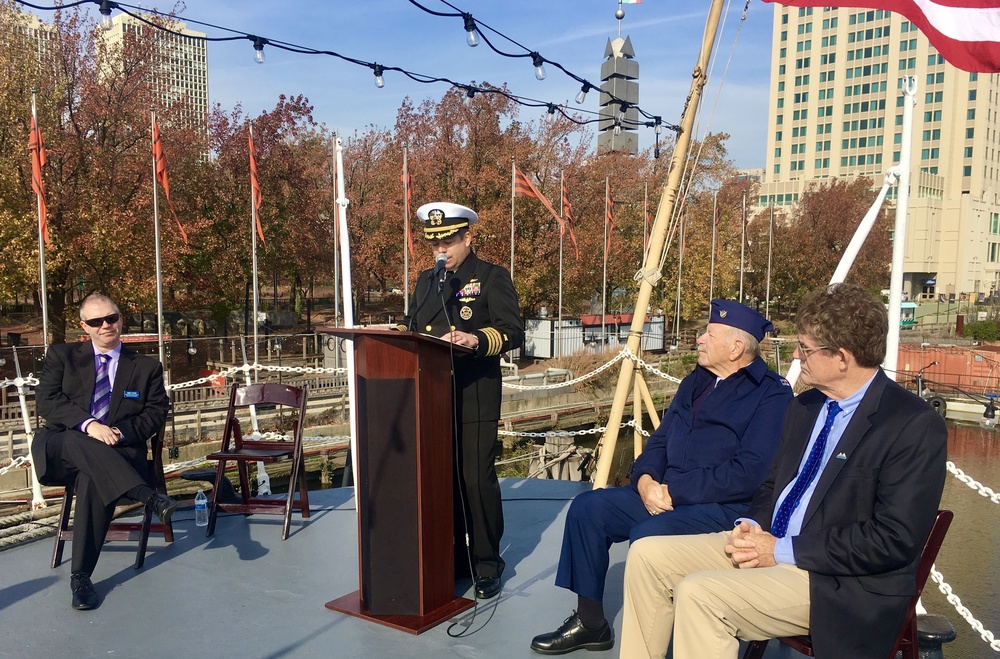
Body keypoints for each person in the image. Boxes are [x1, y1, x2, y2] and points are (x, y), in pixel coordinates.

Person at [619, 283, 948, 659]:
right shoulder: (805, 406)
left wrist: (781, 549)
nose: (795, 355)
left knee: (701, 594)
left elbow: (891, 540)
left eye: (805, 349)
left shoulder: (910, 425)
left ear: (842, 357)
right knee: (647, 557)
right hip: (770, 545)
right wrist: (752, 525)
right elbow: (772, 484)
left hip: (838, 583)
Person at [530, 300, 792, 654]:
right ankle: (591, 623)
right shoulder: (696, 381)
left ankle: (674, 637)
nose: (699, 339)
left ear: (736, 347)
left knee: (646, 536)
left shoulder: (771, 394)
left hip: (721, 506)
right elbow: (662, 440)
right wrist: (646, 481)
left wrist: (674, 492)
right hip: (664, 492)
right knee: (587, 508)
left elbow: (749, 471)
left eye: (708, 334)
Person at [398, 202, 524, 600]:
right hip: (433, 398)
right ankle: (451, 559)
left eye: (449, 242)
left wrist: (476, 339)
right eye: (435, 243)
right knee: (442, 481)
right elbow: (412, 327)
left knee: (474, 481)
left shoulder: (490, 277)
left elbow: (512, 331)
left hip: (474, 395)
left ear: (468, 237)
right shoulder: (426, 282)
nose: (442, 250)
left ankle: (486, 565)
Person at [32, 293, 175, 611]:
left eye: (111, 318)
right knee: (76, 441)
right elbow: (47, 403)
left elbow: (154, 414)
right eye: (96, 321)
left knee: (91, 476)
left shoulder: (147, 368)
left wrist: (120, 432)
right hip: (61, 449)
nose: (105, 325)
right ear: (84, 326)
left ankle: (80, 578)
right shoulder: (62, 356)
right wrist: (88, 425)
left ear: (121, 318)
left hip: (117, 454)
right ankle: (147, 494)